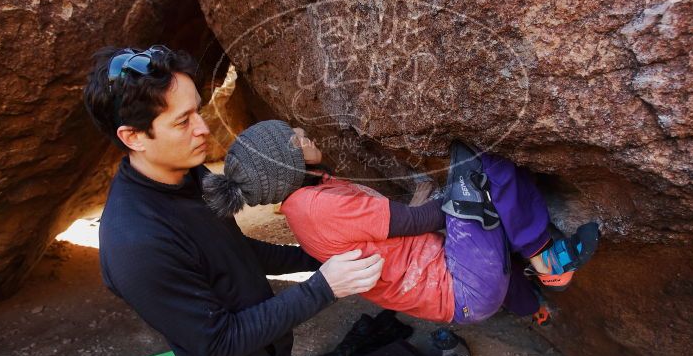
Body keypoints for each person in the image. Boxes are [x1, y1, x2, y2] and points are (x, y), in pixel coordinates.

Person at [82, 45, 384, 356]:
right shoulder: (137, 244)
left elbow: (235, 253)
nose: (203, 129)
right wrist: (325, 286)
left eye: (198, 111)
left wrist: (317, 255)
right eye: (182, 121)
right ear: (133, 137)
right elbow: (219, 343)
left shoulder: (189, 175)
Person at [204, 120, 599, 325]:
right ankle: (547, 261)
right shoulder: (318, 208)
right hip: (464, 288)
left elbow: (395, 239)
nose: (303, 133)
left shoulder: (304, 208)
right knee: (474, 165)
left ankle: (534, 308)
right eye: (294, 139)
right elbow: (422, 219)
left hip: (458, 297)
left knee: (474, 229)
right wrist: (457, 189)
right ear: (286, 166)